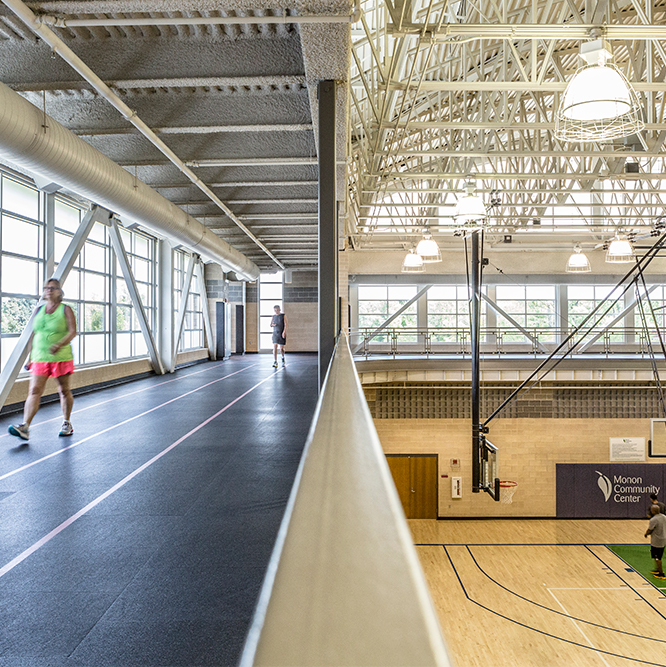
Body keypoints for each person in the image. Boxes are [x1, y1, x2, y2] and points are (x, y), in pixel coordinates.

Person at [8, 278, 77, 441]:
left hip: (60, 357)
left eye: (53, 288)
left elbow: (72, 331)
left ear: (59, 291)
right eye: (47, 288)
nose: (49, 290)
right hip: (39, 357)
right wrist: (30, 358)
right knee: (34, 391)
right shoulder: (38, 310)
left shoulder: (65, 309)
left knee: (63, 390)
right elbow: (33, 334)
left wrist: (59, 345)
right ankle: (25, 426)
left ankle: (67, 422)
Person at [645, 504, 666, 580]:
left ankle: (661, 573)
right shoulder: (664, 517)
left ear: (653, 511)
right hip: (663, 539)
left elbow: (650, 529)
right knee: (656, 556)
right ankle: (657, 569)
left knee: (658, 557)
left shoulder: (653, 520)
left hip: (656, 541)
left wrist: (646, 534)